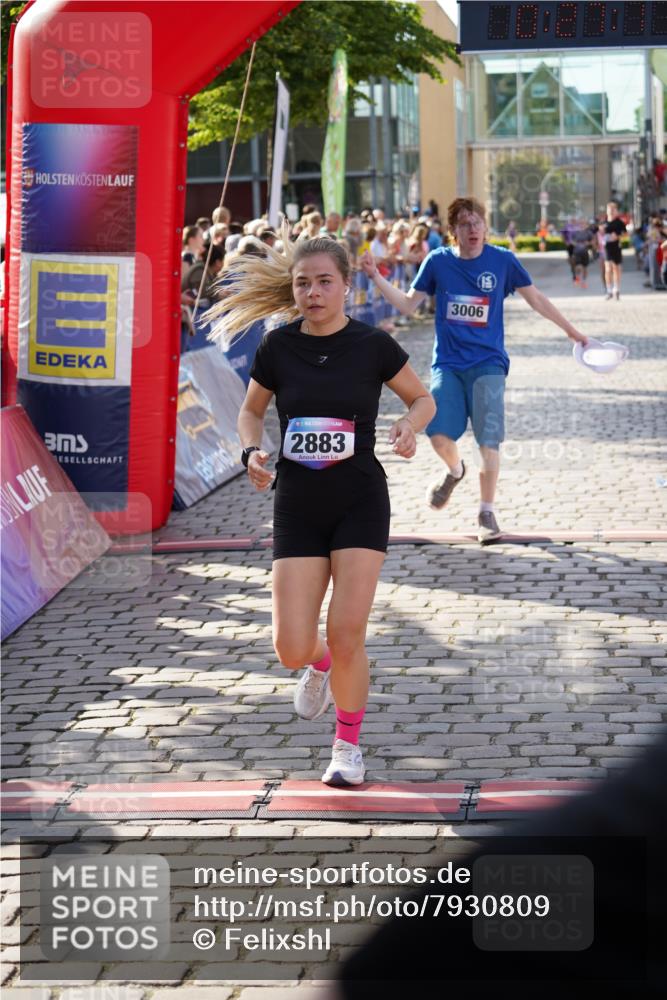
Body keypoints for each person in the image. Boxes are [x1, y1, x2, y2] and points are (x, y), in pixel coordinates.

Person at [207, 232, 435, 786]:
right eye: (303, 283)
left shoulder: (373, 345)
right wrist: (250, 450)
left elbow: (422, 397)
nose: (312, 292)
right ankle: (319, 666)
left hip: (359, 499)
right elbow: (249, 413)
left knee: (347, 630)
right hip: (297, 505)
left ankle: (347, 748)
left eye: (324, 282)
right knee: (290, 646)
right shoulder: (277, 347)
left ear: (346, 286)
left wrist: (409, 425)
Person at [360, 196, 588, 543]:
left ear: (485, 225)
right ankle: (454, 470)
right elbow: (408, 305)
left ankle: (486, 511)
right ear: (453, 231)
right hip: (448, 364)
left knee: (488, 441)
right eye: (464, 223)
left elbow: (537, 299)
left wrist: (572, 332)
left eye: (477, 221)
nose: (473, 229)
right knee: (437, 435)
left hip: (489, 363)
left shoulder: (503, 261)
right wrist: (376, 275)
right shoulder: (438, 262)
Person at [603, 201, 626, 300]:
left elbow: (625, 234)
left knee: (616, 268)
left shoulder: (619, 222)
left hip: (616, 246)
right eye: (609, 210)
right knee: (608, 269)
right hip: (606, 247)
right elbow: (597, 233)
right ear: (607, 211)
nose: (611, 212)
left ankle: (616, 289)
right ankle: (608, 290)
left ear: (616, 211)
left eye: (613, 210)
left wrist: (617, 236)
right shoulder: (603, 222)